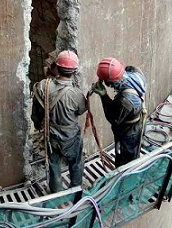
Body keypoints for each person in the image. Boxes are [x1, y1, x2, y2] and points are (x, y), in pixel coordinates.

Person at [31, 50, 87, 193]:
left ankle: (56, 193)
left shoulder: (43, 86)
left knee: (54, 164)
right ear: (75, 71)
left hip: (52, 135)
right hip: (70, 135)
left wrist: (37, 124)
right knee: (76, 162)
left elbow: (36, 112)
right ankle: (76, 191)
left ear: (56, 67)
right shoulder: (77, 94)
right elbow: (80, 111)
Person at [90, 58, 146, 168]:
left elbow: (113, 119)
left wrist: (103, 95)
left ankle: (126, 173)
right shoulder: (133, 74)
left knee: (127, 159)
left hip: (129, 131)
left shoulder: (125, 101)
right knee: (133, 151)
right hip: (135, 122)